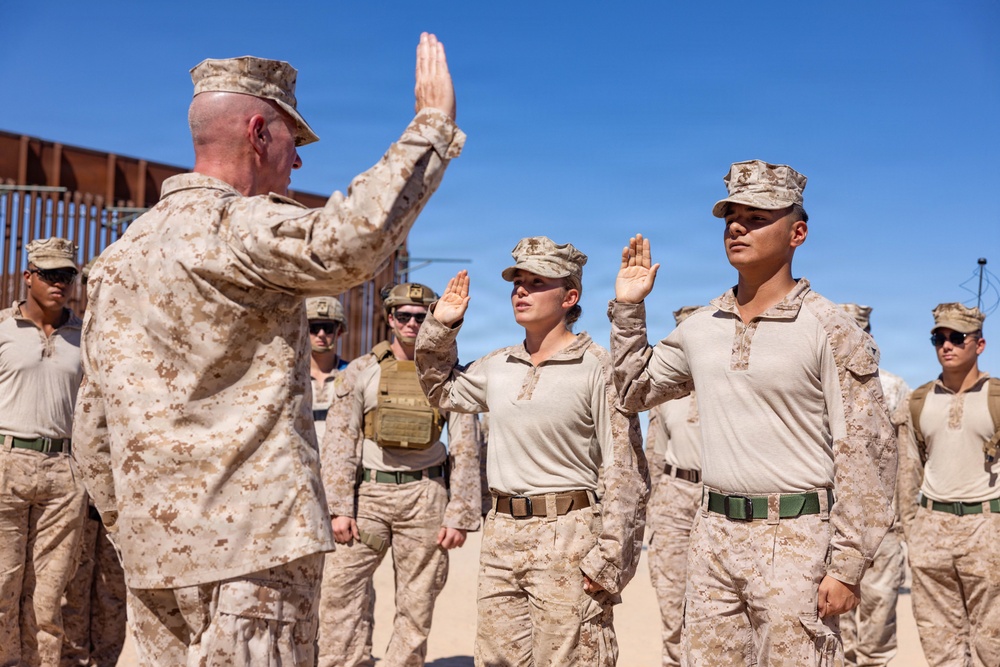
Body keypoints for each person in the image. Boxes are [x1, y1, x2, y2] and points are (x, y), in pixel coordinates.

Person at [71, 33, 464, 666]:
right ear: (258, 132)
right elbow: (351, 242)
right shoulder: (234, 227)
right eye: (292, 140)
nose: (298, 162)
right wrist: (432, 128)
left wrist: (133, 526)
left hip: (154, 557)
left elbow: (92, 423)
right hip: (251, 553)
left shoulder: (117, 260)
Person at [610, 160, 896, 666]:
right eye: (731, 218)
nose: (737, 228)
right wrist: (630, 310)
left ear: (797, 233)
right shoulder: (701, 327)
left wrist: (848, 564)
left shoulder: (830, 328)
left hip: (796, 541)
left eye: (757, 218)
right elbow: (633, 391)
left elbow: (867, 451)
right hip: (712, 539)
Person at [415, 237, 650, 666]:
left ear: (569, 297)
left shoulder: (597, 366)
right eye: (517, 282)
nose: (521, 290)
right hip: (502, 535)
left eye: (537, 282)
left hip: (568, 538)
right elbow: (440, 390)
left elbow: (626, 468)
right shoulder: (497, 365)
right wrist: (440, 328)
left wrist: (611, 558)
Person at [316, 282, 482, 667]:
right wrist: (338, 508)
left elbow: (466, 445)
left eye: (421, 317)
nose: (411, 323)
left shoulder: (448, 376)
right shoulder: (361, 371)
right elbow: (341, 442)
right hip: (369, 497)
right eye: (403, 316)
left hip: (426, 497)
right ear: (390, 319)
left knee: (417, 603)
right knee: (340, 594)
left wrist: (460, 514)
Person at [0, 238, 88, 666]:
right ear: (28, 276)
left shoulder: (85, 336)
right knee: (2, 587)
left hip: (64, 472)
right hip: (6, 463)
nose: (60, 283)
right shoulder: (2, 329)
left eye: (67, 275)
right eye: (50, 274)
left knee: (50, 596)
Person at [898, 303, 999, 667]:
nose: (947, 346)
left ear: (980, 344)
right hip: (931, 531)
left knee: (993, 643)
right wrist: (912, 531)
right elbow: (907, 471)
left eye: (957, 337)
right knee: (939, 644)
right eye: (938, 339)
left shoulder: (996, 398)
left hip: (987, 530)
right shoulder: (918, 401)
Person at [59, 258, 128, 667]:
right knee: (72, 582)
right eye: (88, 283)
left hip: (121, 484)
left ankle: (106, 660)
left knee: (113, 589)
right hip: (75, 482)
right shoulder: (71, 337)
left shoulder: (133, 336)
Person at [837, 303, 910, 667]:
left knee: (879, 614)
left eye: (860, 332)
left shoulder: (893, 388)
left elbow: (909, 460)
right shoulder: (818, 389)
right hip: (833, 521)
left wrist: (907, 521)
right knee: (835, 620)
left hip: (883, 523)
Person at [645, 304, 702, 667]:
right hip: (673, 497)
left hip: (720, 498)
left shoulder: (733, 384)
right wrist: (649, 512)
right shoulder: (665, 393)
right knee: (672, 603)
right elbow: (654, 454)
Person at [307, 295, 350, 443]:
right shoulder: (291, 376)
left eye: (327, 328)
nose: (321, 334)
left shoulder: (352, 374)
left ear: (338, 332)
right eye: (314, 328)